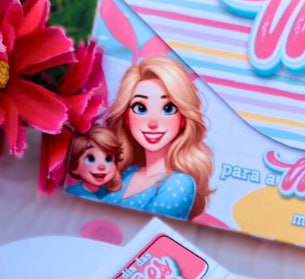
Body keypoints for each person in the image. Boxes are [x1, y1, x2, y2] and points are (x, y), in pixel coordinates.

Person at [106, 55, 214, 220]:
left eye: (168, 108)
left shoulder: (179, 183)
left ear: (183, 118)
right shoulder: (127, 173)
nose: (153, 123)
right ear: (126, 117)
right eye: (141, 108)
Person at [65, 128, 124, 201]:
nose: (101, 167)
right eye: (91, 159)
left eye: (108, 159)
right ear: (75, 166)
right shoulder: (73, 192)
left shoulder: (108, 193)